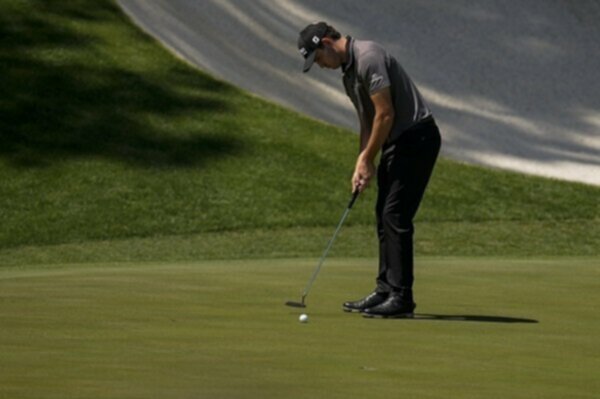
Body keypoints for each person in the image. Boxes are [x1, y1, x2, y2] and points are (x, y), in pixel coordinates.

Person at [297, 22, 441, 318]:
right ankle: (386, 289)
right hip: (397, 143)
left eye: (319, 58)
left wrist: (369, 157)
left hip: (417, 137)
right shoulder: (349, 76)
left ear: (326, 42)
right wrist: (362, 162)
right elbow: (368, 122)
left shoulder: (368, 56)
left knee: (395, 214)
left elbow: (385, 113)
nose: (321, 66)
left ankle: (402, 298)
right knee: (383, 214)